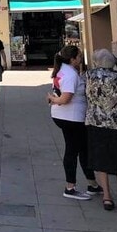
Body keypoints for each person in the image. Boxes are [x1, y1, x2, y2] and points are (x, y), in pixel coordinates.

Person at [85, 49, 117, 213]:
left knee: (101, 159)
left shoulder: (89, 76)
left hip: (95, 123)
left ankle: (107, 197)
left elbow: (86, 95)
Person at [46, 45, 102, 200]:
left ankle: (93, 184)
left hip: (65, 116)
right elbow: (65, 99)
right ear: (72, 59)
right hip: (71, 117)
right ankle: (70, 187)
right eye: (79, 57)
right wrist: (53, 99)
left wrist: (53, 99)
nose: (80, 59)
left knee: (82, 149)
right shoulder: (70, 74)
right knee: (73, 150)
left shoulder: (62, 70)